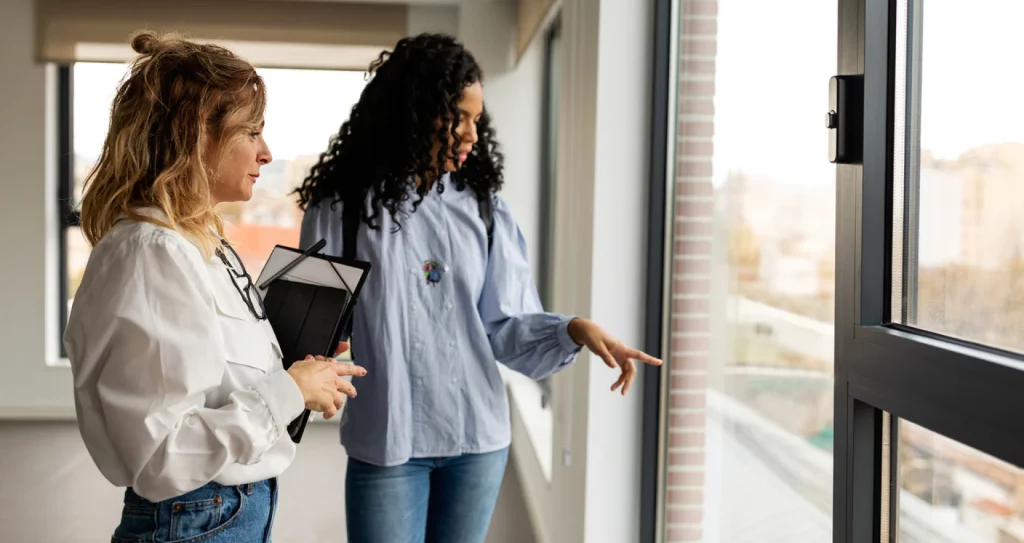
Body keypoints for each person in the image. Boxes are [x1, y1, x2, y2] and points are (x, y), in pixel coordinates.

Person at [296, 33, 662, 543]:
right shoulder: (340, 209)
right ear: (414, 113)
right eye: (458, 117)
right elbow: (309, 332)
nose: (472, 133)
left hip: (476, 441)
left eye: (476, 118)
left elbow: (505, 328)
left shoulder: (485, 209)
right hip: (387, 440)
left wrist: (574, 329)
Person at [64, 32, 365, 543]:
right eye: (251, 132)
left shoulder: (196, 243)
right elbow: (161, 455)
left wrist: (302, 377)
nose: (266, 153)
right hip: (197, 519)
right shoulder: (153, 253)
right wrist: (289, 391)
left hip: (221, 513)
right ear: (195, 134)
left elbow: (215, 377)